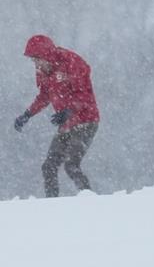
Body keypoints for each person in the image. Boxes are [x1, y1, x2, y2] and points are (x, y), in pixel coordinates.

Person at [14, 34, 100, 197]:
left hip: (86, 121)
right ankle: (51, 204)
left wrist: (69, 110)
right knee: (49, 166)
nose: (36, 65)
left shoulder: (72, 62)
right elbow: (44, 95)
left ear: (46, 55)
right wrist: (27, 114)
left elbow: (84, 95)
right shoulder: (42, 71)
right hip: (66, 123)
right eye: (33, 61)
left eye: (37, 59)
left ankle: (90, 199)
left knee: (71, 164)